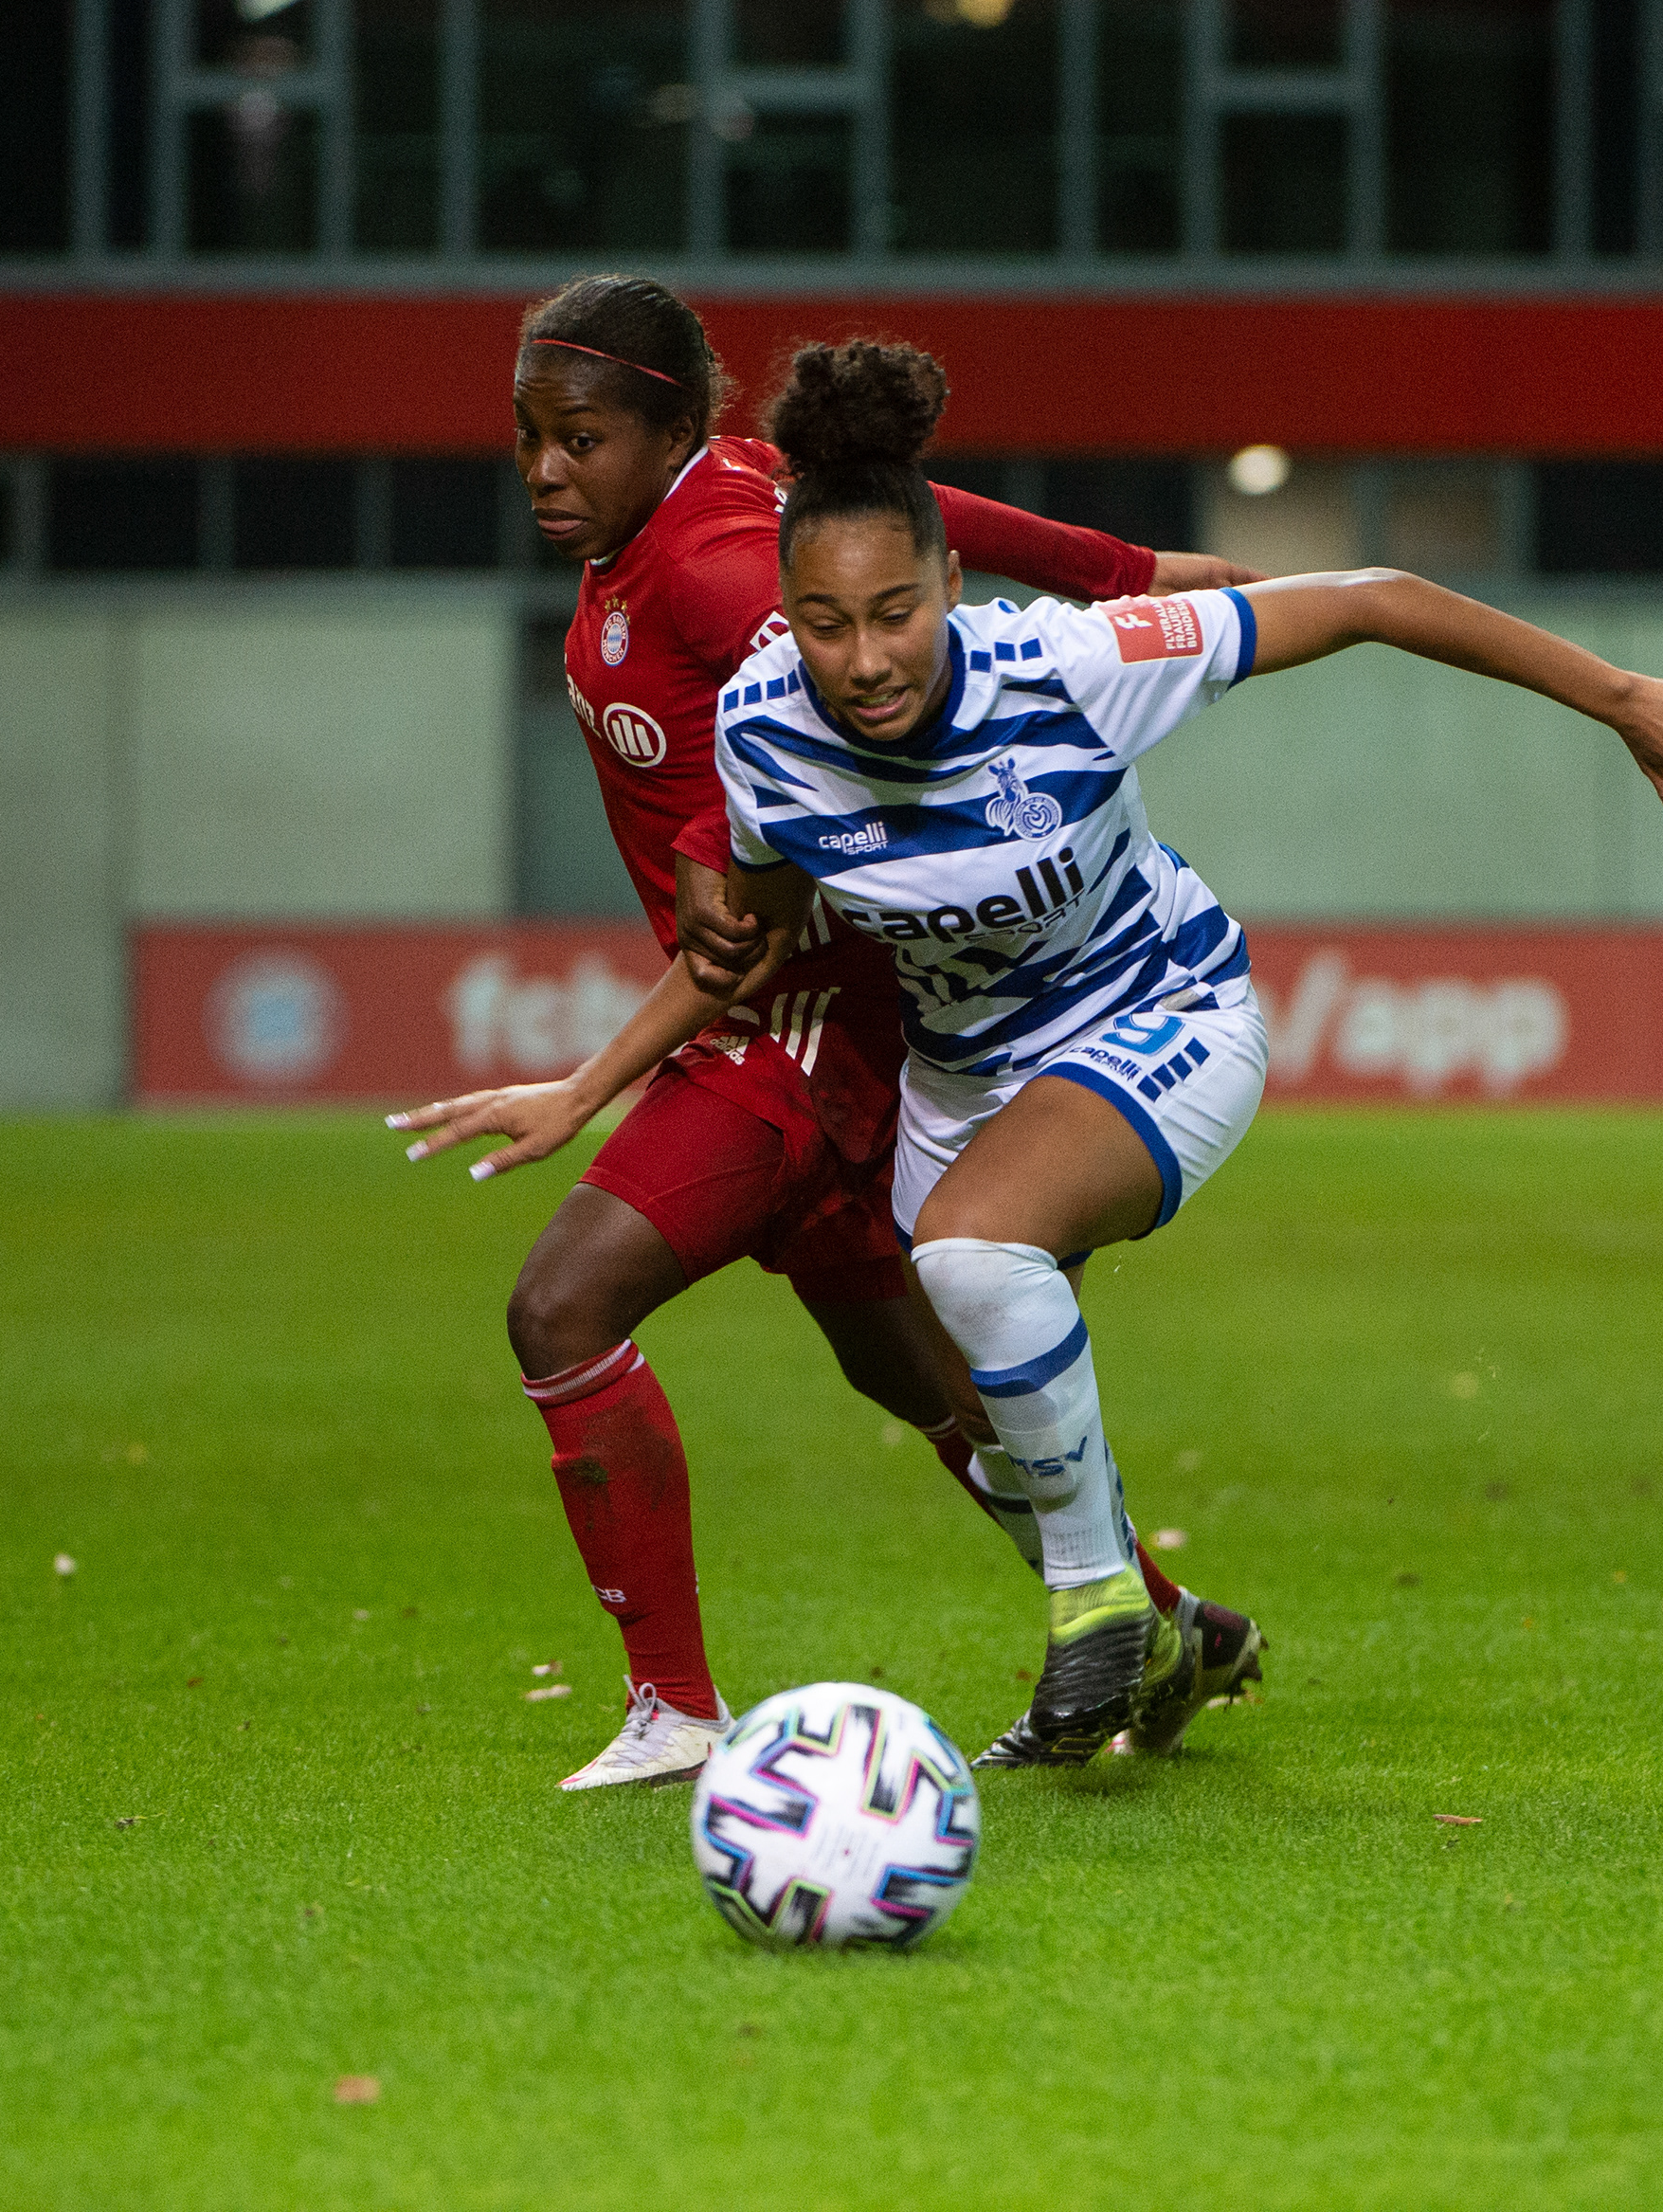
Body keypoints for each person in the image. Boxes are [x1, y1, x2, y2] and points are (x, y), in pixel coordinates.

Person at [617, 338, 1663, 1763]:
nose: (864, 659)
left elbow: (1373, 598)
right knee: (975, 1411)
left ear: (955, 588)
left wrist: (1617, 696)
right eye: (824, 622)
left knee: (973, 1255)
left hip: (1159, 1015)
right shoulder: (761, 729)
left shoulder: (1072, 666)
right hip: (961, 1082)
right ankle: (1170, 1645)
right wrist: (590, 1083)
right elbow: (752, 921)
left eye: (896, 613)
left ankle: (1099, 1606)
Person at [388, 276, 1270, 1791]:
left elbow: (844, 676)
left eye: (578, 437)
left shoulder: (713, 566)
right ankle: (1163, 1625)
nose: (545, 467)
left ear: (673, 425)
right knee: (932, 1387)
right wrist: (1124, 569)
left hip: (793, 1030)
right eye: (528, 436)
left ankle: (675, 1709)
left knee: (563, 1307)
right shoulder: (719, 501)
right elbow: (909, 514)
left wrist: (722, 859)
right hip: (811, 1021)